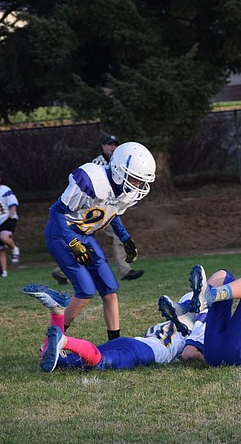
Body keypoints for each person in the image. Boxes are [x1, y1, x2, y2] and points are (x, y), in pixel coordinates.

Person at [44, 140, 155, 341]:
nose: (137, 185)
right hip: (61, 234)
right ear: (119, 170)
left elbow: (111, 212)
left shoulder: (124, 191)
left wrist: (125, 238)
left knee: (110, 290)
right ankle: (53, 339)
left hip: (85, 236)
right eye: (134, 179)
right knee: (85, 291)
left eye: (140, 181)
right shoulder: (92, 180)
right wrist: (73, 243)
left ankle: (115, 342)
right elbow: (56, 212)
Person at [23, 284, 187, 372]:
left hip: (132, 342)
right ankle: (64, 340)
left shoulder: (182, 314)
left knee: (60, 363)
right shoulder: (199, 324)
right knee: (99, 362)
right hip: (145, 352)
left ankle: (57, 312)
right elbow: (191, 353)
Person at [52, 134, 144, 284]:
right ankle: (62, 270)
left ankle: (125, 269)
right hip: (95, 208)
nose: (112, 147)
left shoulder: (122, 164)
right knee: (84, 238)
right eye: (109, 145)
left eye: (115, 145)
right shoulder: (97, 163)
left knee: (113, 236)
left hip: (107, 208)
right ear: (103, 147)